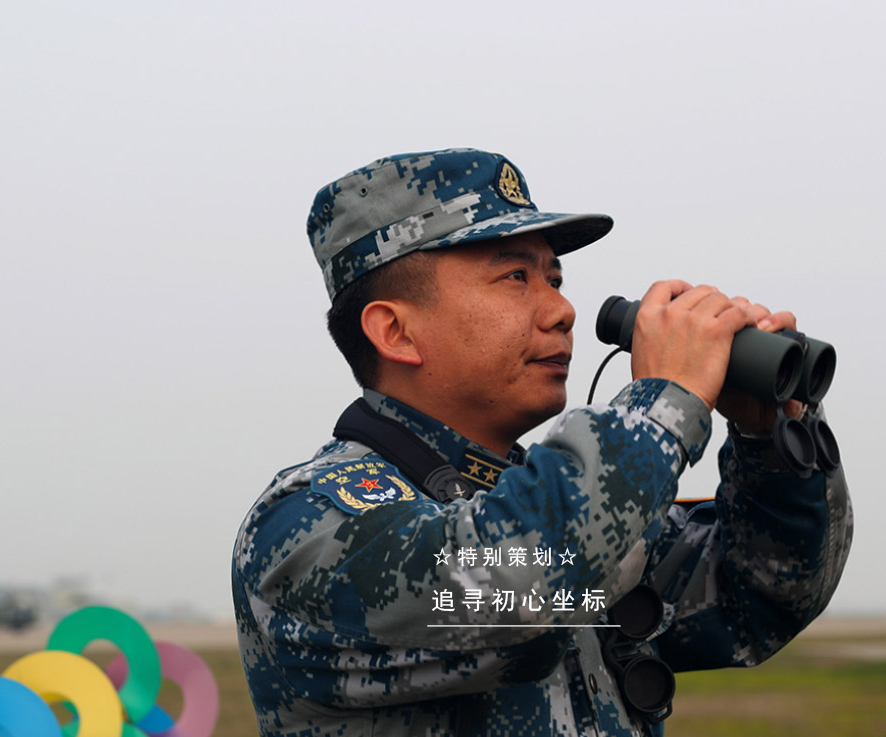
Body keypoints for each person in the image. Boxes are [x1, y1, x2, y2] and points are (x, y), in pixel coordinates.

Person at [231, 148, 853, 736]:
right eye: (515, 277)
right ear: (396, 332)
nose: (562, 310)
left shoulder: (550, 511)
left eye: (554, 278)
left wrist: (770, 437)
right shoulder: (303, 525)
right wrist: (665, 401)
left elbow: (762, 591)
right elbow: (514, 587)